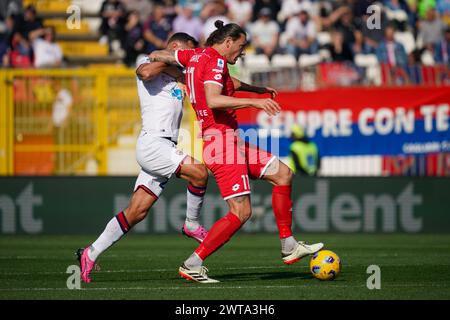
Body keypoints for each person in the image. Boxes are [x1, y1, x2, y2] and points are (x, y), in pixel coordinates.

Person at [150, 20, 324, 283]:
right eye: (240, 47)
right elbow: (213, 99)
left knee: (283, 173)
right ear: (227, 42)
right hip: (221, 144)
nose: (241, 53)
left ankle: (288, 245)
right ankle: (193, 264)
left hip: (231, 142)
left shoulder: (195, 56)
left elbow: (161, 55)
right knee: (241, 212)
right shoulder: (216, 61)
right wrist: (256, 102)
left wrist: (257, 88)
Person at [76, 33, 210, 284]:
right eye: (185, 52)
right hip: (153, 143)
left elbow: (204, 84)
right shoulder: (149, 61)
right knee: (199, 172)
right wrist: (173, 62)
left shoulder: (176, 74)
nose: (186, 58)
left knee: (136, 211)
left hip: (164, 145)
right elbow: (145, 73)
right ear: (174, 48)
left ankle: (90, 253)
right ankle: (191, 224)